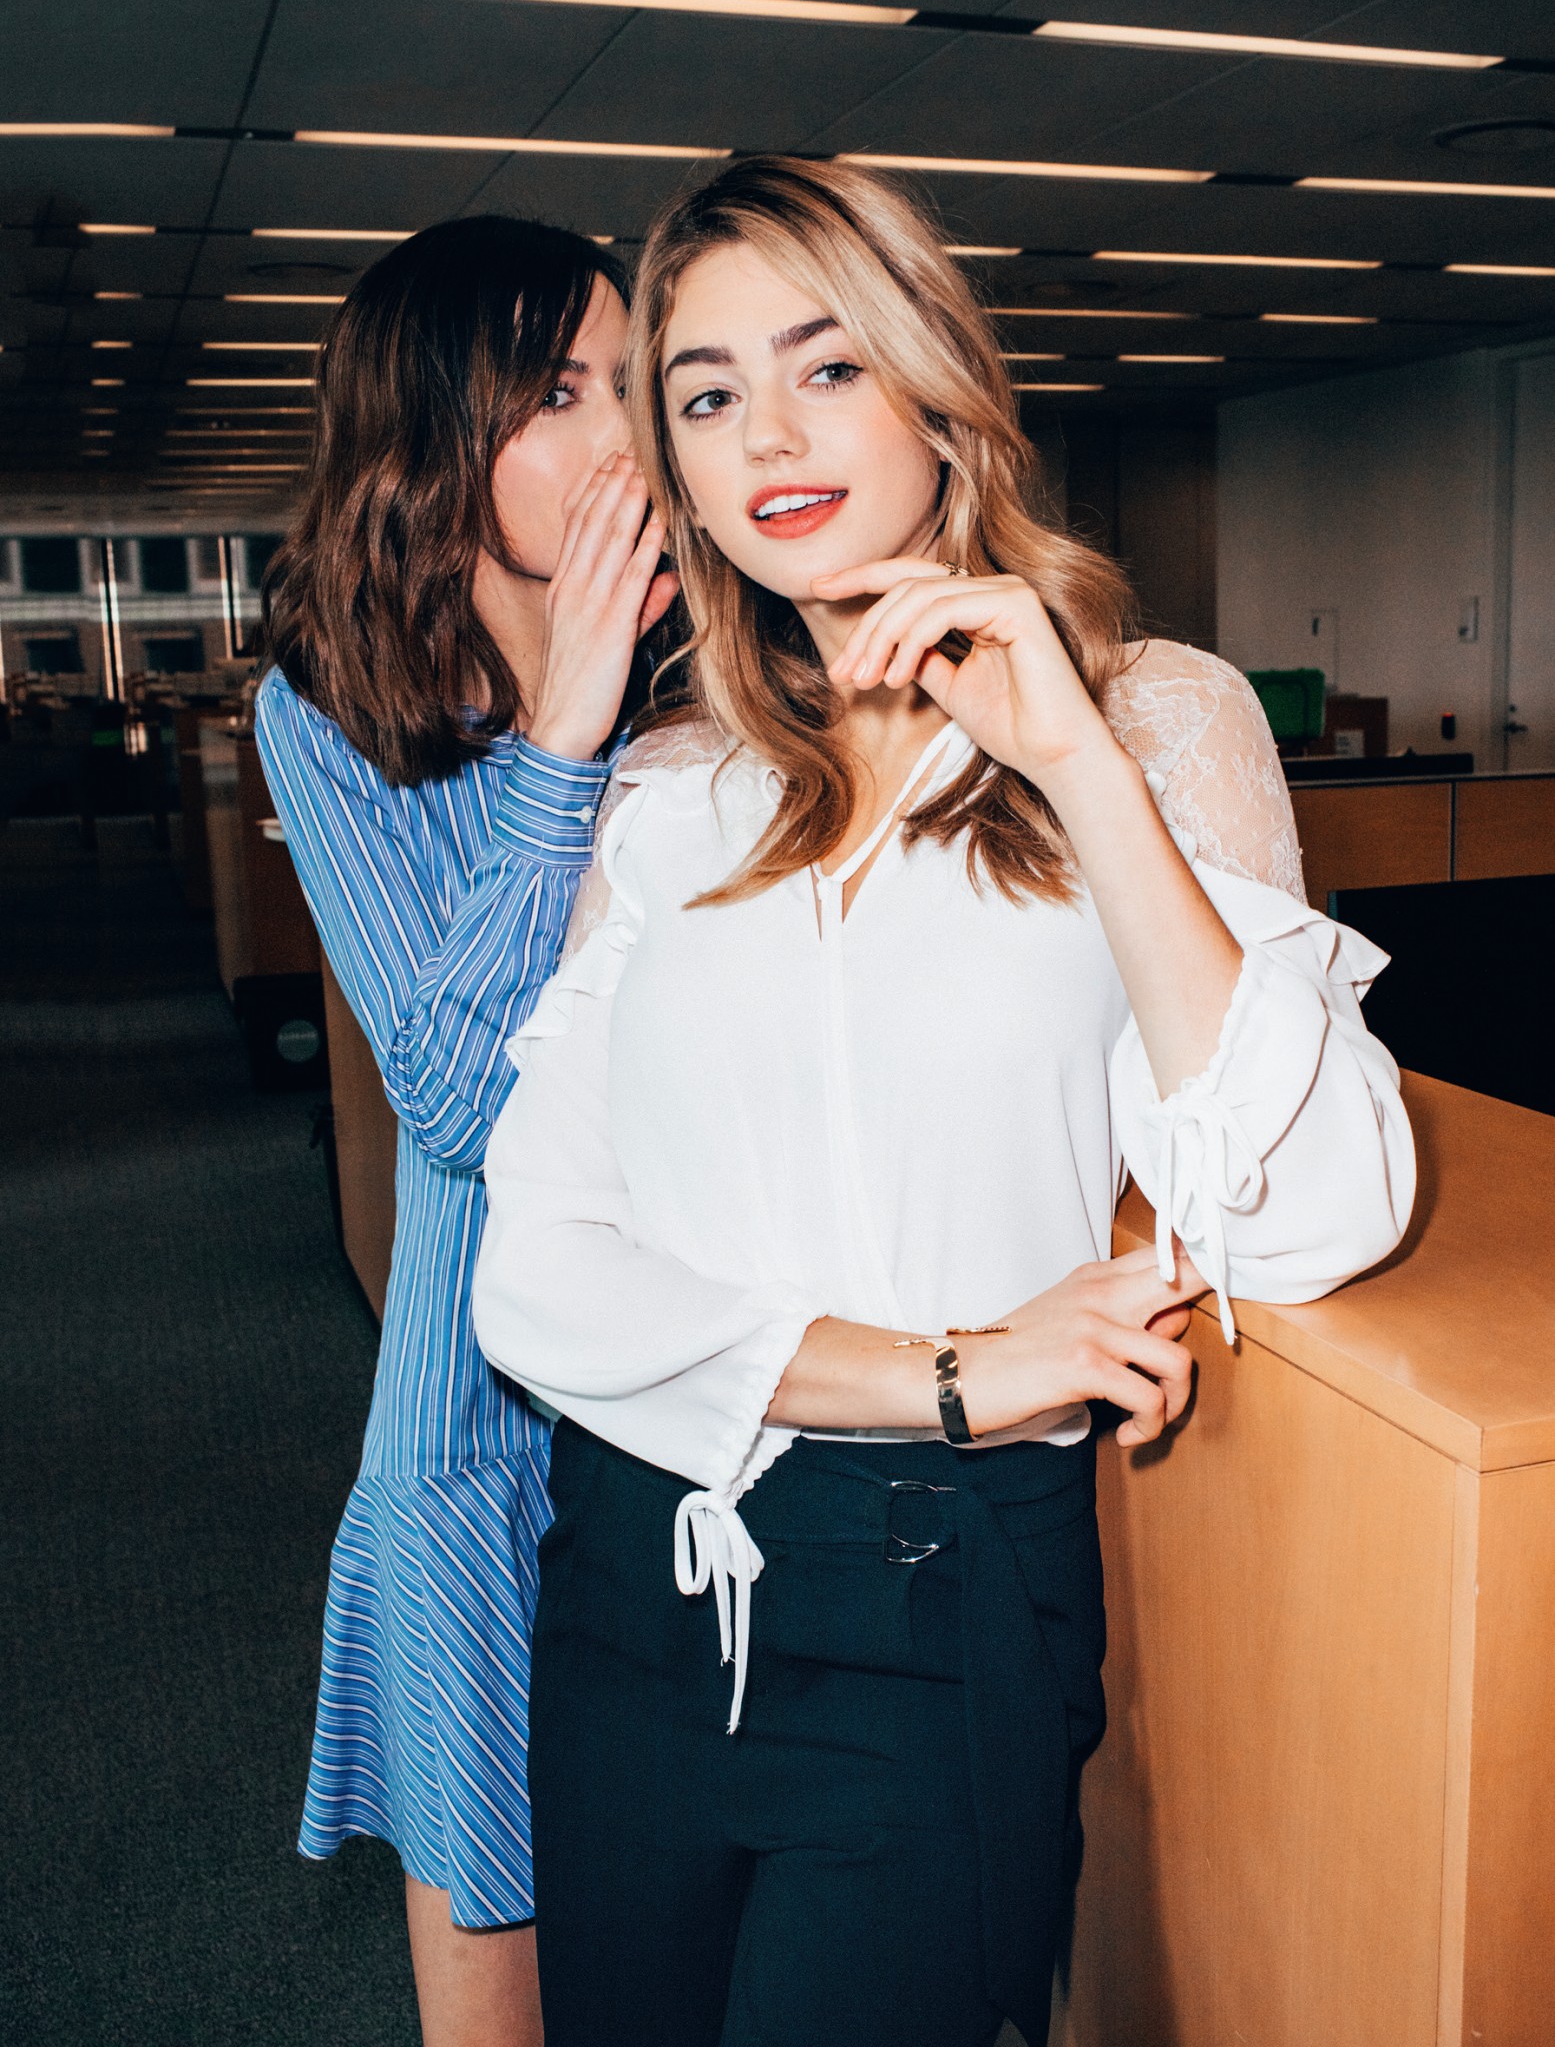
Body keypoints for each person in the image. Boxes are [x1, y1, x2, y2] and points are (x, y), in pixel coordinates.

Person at [473, 158, 1415, 2047]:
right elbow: (537, 1279)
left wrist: (1070, 758)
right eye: (709, 394)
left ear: (938, 388)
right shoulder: (672, 794)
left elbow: (1317, 1206)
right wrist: (954, 1369)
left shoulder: (1154, 721)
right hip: (629, 1588)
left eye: (827, 367)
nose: (770, 435)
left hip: (938, 1598)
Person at [254, 215, 676, 2046]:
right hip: (482, 1421)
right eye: (558, 391)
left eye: (628, 381)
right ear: (440, 433)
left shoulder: (717, 675)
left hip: (701, 1377)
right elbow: (449, 1095)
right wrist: (564, 738)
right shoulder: (331, 715)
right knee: (501, 1957)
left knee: (679, 1933)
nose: (622, 433)